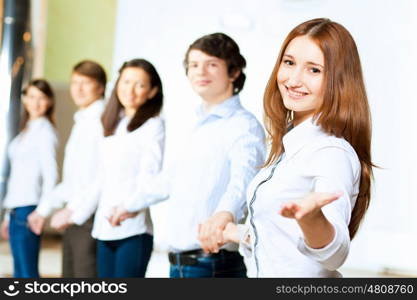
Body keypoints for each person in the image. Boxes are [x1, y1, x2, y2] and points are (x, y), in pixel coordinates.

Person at [222, 18, 374, 277]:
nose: (293, 79)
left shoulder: (331, 153)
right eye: (289, 63)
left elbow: (336, 253)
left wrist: (312, 219)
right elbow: (280, 238)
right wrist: (232, 232)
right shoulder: (288, 146)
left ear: (339, 81)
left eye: (314, 70)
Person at [111, 33, 266, 278]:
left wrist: (224, 215)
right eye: (194, 65)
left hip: (212, 264)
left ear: (234, 72)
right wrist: (128, 205)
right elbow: (172, 178)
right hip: (184, 264)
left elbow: (244, 181)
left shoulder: (243, 126)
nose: (200, 71)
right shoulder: (198, 123)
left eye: (212, 64)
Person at [60, 58, 165, 278]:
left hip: (133, 230)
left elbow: (150, 179)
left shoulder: (153, 126)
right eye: (126, 82)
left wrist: (127, 207)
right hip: (104, 229)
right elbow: (101, 179)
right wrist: (75, 214)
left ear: (153, 91)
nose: (130, 90)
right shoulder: (112, 125)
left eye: (140, 84)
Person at [37, 60, 107, 277]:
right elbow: (73, 178)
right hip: (74, 215)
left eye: (85, 83)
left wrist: (73, 210)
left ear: (101, 87)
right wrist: (45, 209)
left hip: (88, 216)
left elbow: (100, 175)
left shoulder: (101, 120)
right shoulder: (83, 119)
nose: (78, 89)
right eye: (75, 82)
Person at [0, 79, 58, 277]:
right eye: (31, 97)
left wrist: (42, 212)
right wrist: (8, 216)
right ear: (24, 99)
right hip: (16, 210)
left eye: (41, 97)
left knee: (27, 275)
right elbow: (18, 178)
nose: (36, 102)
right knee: (19, 273)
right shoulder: (26, 130)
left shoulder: (45, 132)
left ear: (49, 101)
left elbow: (51, 175)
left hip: (29, 210)